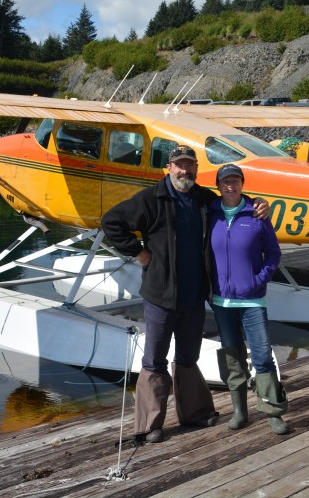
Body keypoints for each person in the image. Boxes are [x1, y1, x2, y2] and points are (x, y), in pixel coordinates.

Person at [100, 144, 268, 444]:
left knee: (188, 358)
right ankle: (150, 425)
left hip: (194, 296)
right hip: (161, 295)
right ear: (169, 167)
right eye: (179, 165)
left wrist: (258, 202)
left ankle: (195, 413)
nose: (184, 170)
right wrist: (138, 252)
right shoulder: (151, 198)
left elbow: (231, 200)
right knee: (154, 360)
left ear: (195, 168)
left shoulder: (204, 198)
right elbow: (112, 222)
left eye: (190, 165)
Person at [208, 163, 290, 435]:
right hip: (222, 302)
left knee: (262, 356)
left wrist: (259, 280)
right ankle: (240, 411)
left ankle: (272, 412)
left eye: (235, 181)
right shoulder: (210, 213)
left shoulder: (256, 213)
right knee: (232, 357)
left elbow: (274, 254)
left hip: (252, 301)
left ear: (242, 184)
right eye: (225, 182)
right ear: (218, 186)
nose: (230, 186)